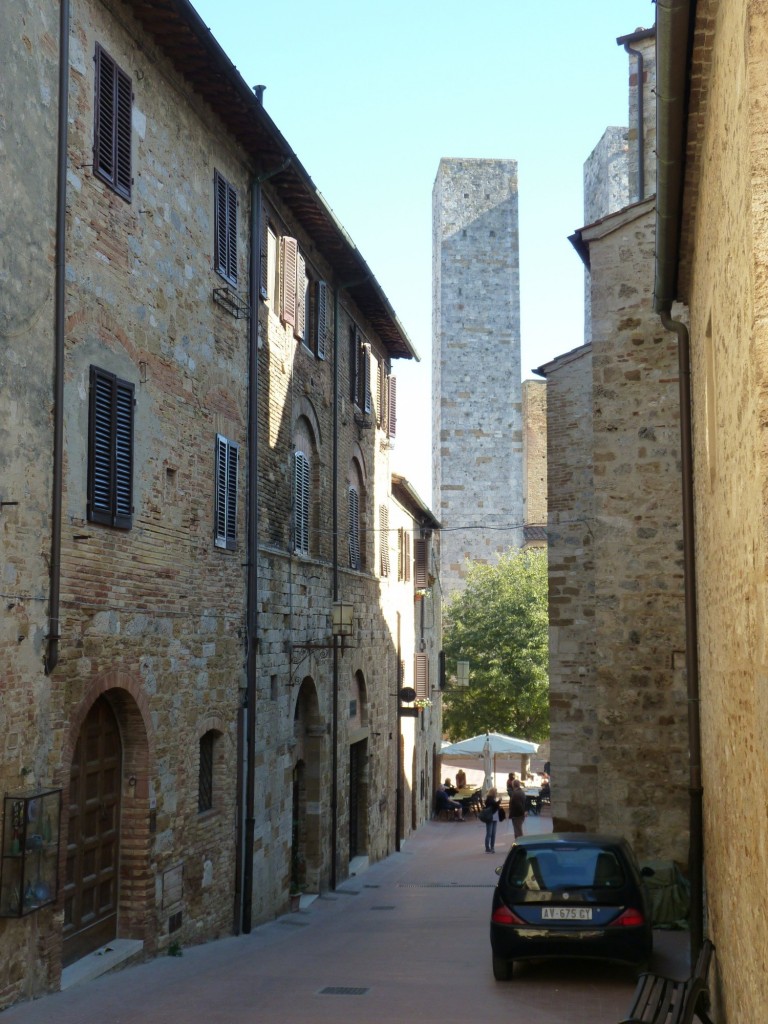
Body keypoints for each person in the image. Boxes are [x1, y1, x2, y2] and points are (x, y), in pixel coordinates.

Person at [483, 787, 505, 852]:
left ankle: (492, 847)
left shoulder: (492, 799)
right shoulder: (489, 799)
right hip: (490, 817)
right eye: (495, 792)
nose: (496, 793)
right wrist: (499, 801)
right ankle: (487, 847)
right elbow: (494, 805)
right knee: (489, 833)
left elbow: (495, 805)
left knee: (493, 833)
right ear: (493, 793)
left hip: (495, 817)